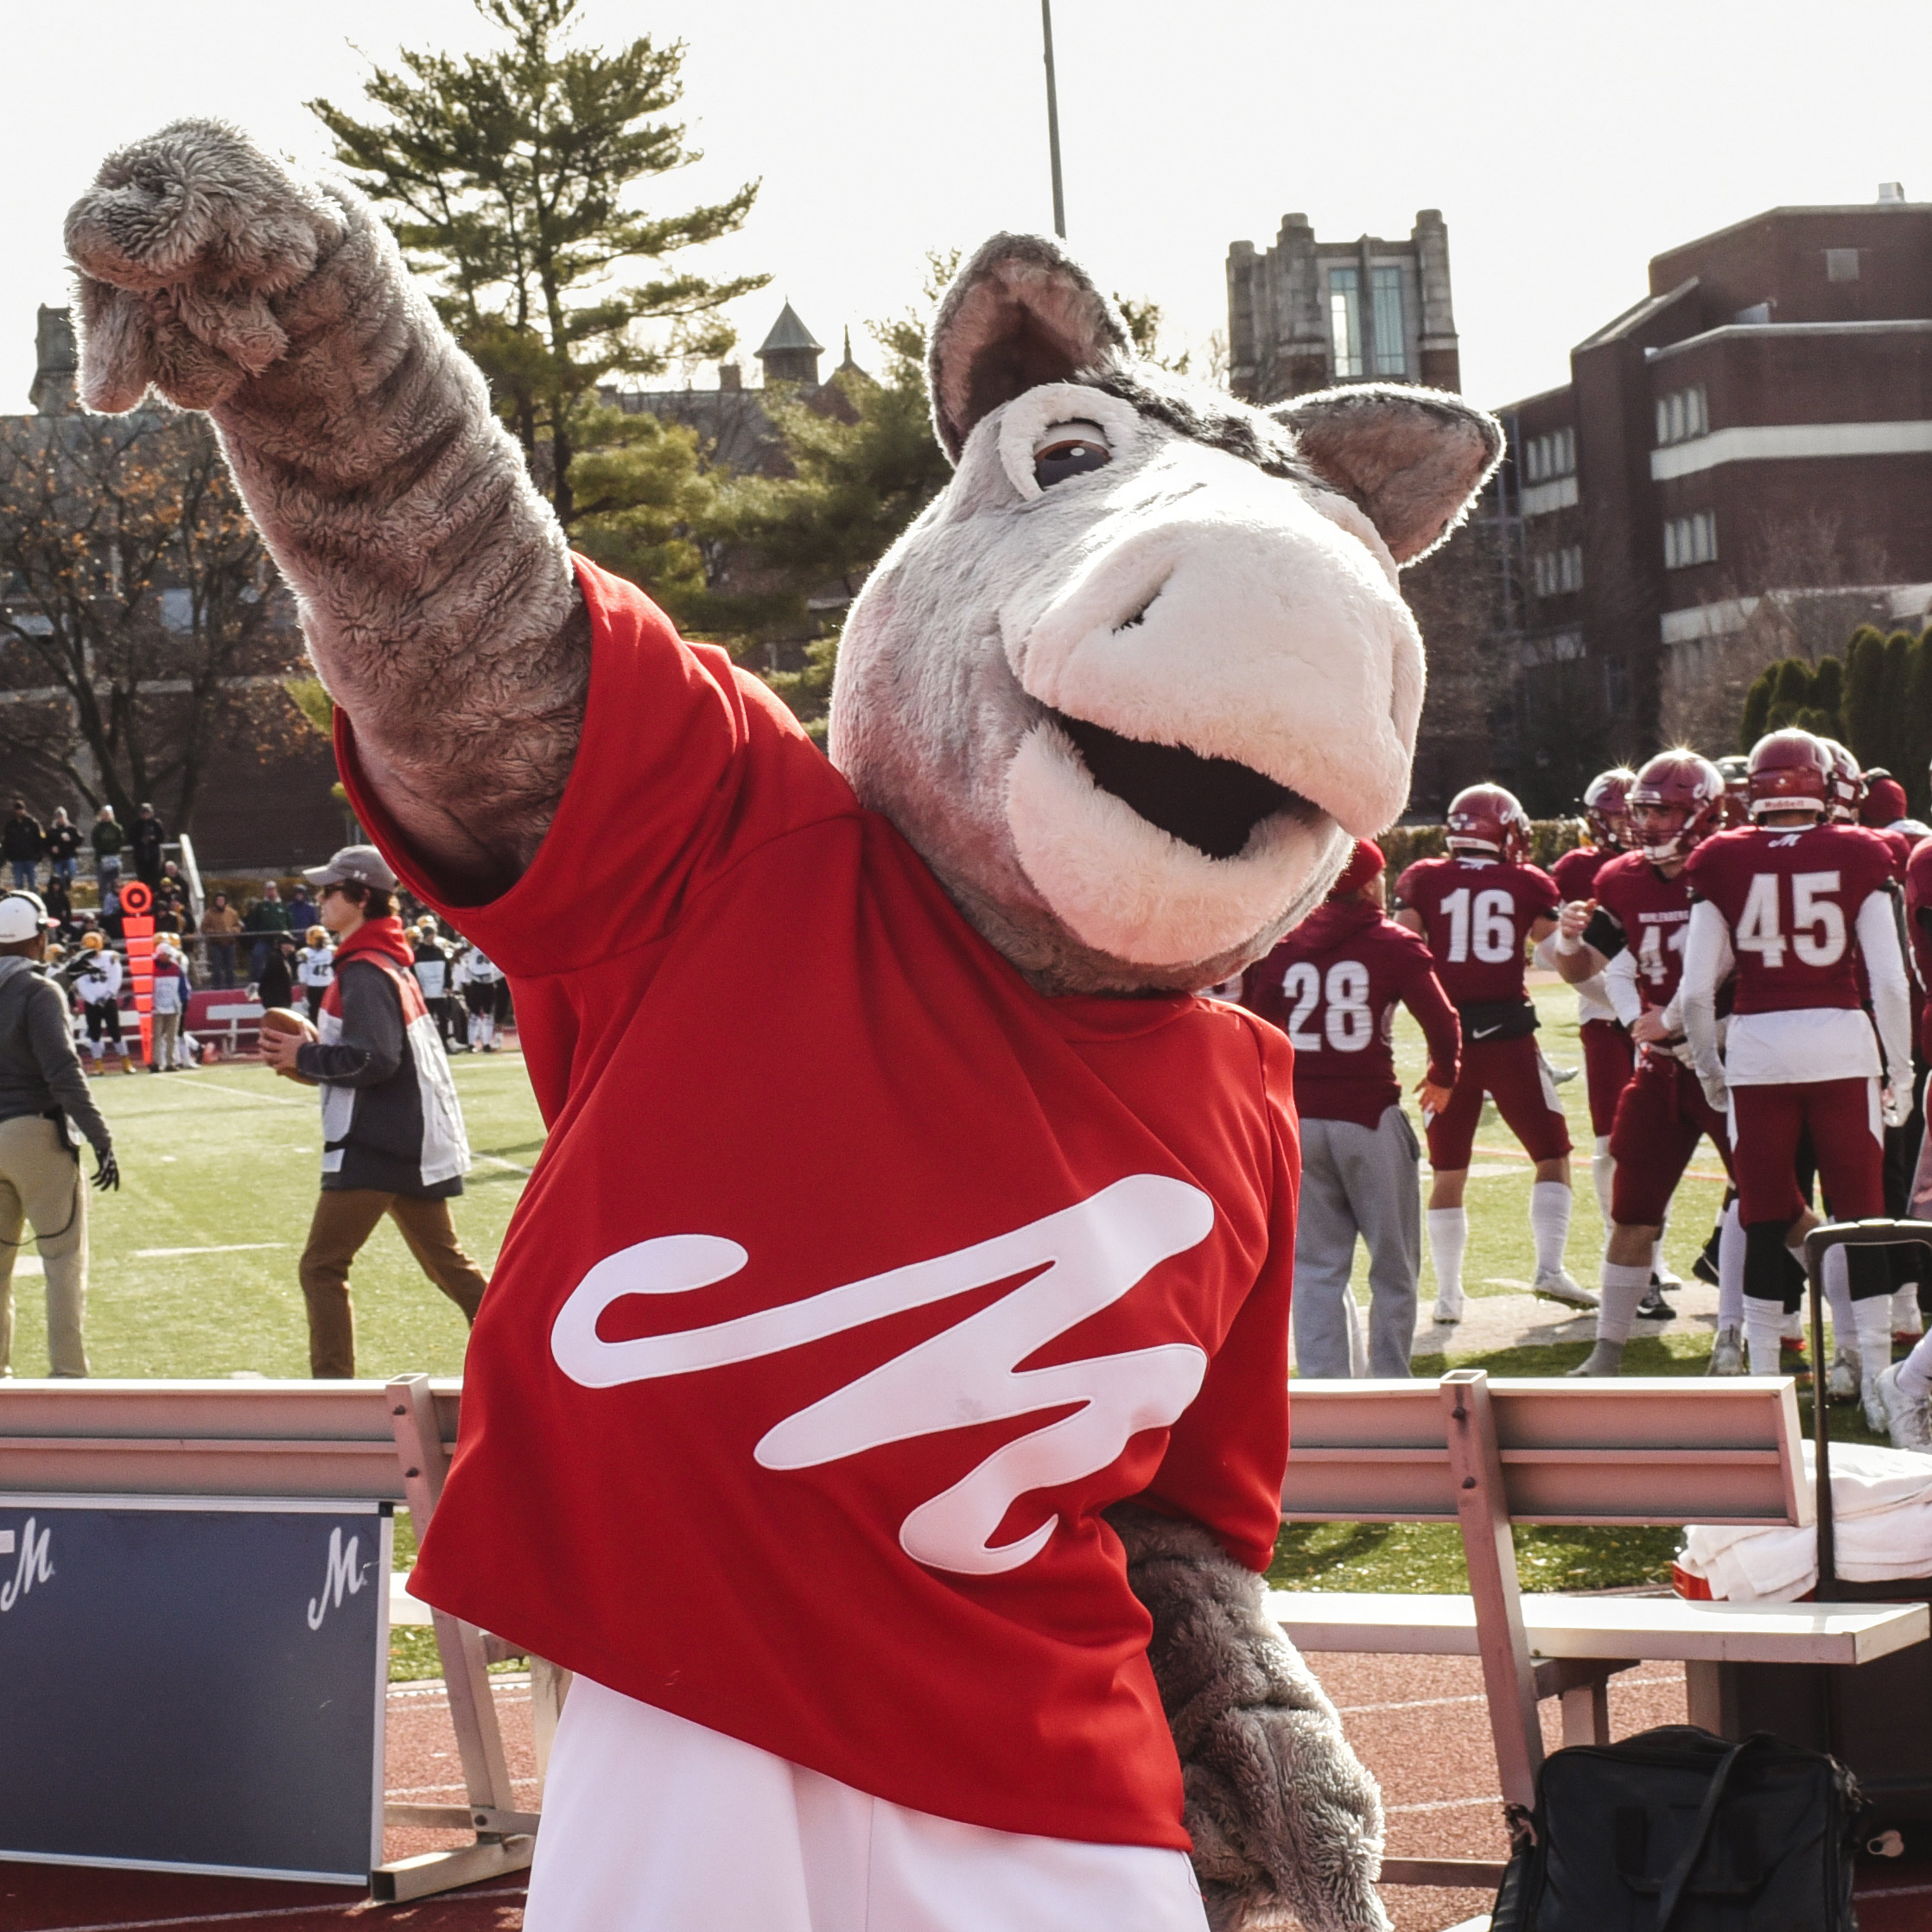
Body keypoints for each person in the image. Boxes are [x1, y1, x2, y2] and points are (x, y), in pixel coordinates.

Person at [1682, 729, 1914, 1407]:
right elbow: (1892, 983)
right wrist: (1898, 1072)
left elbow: (1696, 993)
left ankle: (1762, 1385)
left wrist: (1708, 1071)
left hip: (1756, 1042)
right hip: (1841, 1040)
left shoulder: (1720, 856)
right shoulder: (1861, 849)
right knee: (1862, 1213)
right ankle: (1875, 1384)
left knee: (1760, 1214)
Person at [257, 846, 486, 1379]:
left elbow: (374, 1059)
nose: (319, 899)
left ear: (361, 897)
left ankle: (334, 1396)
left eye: (330, 891)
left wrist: (304, 1056)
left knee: (321, 1266)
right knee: (447, 1264)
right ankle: (532, 1349)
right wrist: (312, 1062)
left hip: (377, 1144)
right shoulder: (386, 961)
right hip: (410, 1138)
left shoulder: (363, 969)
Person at [1242, 839, 1459, 1375]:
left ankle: (1326, 1385)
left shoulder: (1285, 946)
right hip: (1368, 1116)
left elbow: (1254, 1026)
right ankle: (1389, 1380)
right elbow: (1443, 1020)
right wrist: (1443, 1077)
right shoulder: (1391, 944)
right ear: (1368, 884)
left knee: (1316, 1267)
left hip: (1300, 1119)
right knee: (1394, 1265)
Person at [1557, 753, 1738, 1376]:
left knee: (1769, 1202)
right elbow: (1587, 973)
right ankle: (1608, 1347)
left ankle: (1761, 1332)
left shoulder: (1731, 867)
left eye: (1665, 810)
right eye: (1644, 810)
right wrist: (1567, 940)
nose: (1651, 823)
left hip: (1733, 1059)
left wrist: (1688, 1022)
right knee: (1632, 1207)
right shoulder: (1621, 878)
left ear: (1702, 813)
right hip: (1660, 1069)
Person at [1394, 784, 1592, 1319]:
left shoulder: (1424, 877)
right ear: (1503, 830)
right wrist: (1580, 945)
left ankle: (1449, 1296)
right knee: (1552, 1155)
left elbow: (1399, 952)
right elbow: (1558, 961)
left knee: (1448, 1170)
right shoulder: (1526, 880)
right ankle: (1549, 1269)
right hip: (1509, 1039)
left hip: (1448, 1043)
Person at [0, 890, 118, 1377]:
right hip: (35, 1135)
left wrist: (61, 978)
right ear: (40, 935)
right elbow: (62, 1071)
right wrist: (100, 1136)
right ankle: (68, 1374)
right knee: (63, 1260)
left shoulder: (34, 987)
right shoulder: (38, 992)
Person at [1548, 769, 1639, 1252]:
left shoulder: (1674, 862)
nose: (1631, 824)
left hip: (1664, 1016)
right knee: (1609, 1139)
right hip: (1607, 1015)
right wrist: (1630, 1005)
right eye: (1619, 816)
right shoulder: (1576, 869)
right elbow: (1558, 954)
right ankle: (1618, 1242)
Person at [72, 932, 132, 1076]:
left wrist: (107, 996)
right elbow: (81, 983)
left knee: (115, 1031)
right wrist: (93, 1000)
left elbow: (116, 978)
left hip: (108, 1001)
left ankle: (126, 1062)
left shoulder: (110, 958)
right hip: (92, 1003)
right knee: (94, 1034)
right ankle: (98, 1065)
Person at [410, 918, 458, 1048]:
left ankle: (444, 1043)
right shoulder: (417, 955)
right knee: (426, 1020)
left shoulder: (439, 953)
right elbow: (413, 974)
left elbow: (447, 971)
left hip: (440, 992)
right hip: (424, 993)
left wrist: (448, 985)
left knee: (444, 1019)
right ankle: (426, 1043)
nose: (432, 939)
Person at [148, 940, 188, 1072]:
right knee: (157, 1037)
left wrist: (184, 1000)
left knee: (172, 1037)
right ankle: (156, 1062)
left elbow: (183, 987)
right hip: (157, 1008)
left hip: (174, 1007)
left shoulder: (177, 969)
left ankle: (170, 1062)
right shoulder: (152, 969)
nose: (169, 957)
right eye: (166, 955)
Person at [456, 941, 505, 1052]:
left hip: (484, 983)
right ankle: (473, 1043)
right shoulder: (472, 950)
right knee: (475, 1014)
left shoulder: (483, 949)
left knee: (487, 1015)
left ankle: (485, 1043)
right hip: (479, 983)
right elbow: (463, 963)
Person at [246, 879, 290, 978]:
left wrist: (287, 938)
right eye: (269, 890)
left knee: (283, 960)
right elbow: (253, 922)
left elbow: (290, 922)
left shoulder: (283, 906)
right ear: (266, 891)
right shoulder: (261, 906)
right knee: (257, 955)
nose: (271, 892)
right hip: (264, 940)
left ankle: (285, 979)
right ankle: (257, 981)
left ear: (276, 890)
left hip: (280, 940)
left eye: (273, 889)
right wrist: (258, 935)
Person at [200, 890, 242, 988]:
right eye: (218, 900)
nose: (220, 902)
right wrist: (213, 932)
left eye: (222, 900)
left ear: (225, 901)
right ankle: (217, 988)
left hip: (230, 943)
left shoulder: (232, 912)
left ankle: (231, 988)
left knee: (230, 968)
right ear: (215, 901)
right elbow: (204, 928)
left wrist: (233, 931)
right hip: (216, 944)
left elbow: (238, 926)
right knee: (217, 968)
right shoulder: (209, 913)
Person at [297, 924, 336, 1020]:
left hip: (328, 986)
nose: (321, 941)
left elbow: (337, 971)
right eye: (319, 939)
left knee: (330, 1015)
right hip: (313, 988)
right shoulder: (305, 953)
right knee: (315, 1016)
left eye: (322, 938)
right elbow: (303, 977)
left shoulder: (331, 951)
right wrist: (304, 996)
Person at [3, 800, 45, 891]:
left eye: (21, 809)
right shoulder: (10, 826)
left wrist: (39, 856)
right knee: (18, 884)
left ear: (24, 810)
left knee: (33, 884)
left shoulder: (32, 823)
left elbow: (41, 839)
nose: (19, 812)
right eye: (17, 809)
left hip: (31, 858)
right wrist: (10, 857)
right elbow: (6, 843)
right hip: (17, 860)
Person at [257, 931, 298, 1012]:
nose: (293, 945)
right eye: (290, 943)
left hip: (280, 1000)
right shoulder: (275, 959)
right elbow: (267, 978)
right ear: (282, 945)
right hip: (276, 1000)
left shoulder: (282, 958)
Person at [130, 802, 165, 891]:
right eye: (144, 813)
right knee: (142, 879)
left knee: (155, 878)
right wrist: (140, 839)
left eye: (148, 813)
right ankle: (144, 898)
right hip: (140, 855)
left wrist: (153, 838)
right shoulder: (136, 824)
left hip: (153, 855)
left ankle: (155, 898)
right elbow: (131, 838)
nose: (146, 815)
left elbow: (162, 838)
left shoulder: (156, 823)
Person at [90, 805, 125, 892]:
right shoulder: (97, 829)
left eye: (108, 814)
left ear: (112, 814)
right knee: (102, 883)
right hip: (101, 859)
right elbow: (95, 843)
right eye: (104, 814)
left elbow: (121, 841)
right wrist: (105, 848)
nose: (106, 816)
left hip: (114, 858)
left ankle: (115, 902)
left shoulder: (117, 828)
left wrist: (111, 848)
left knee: (115, 882)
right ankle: (104, 902)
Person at [44, 808, 80, 887]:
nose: (61, 819)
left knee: (72, 871)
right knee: (59, 878)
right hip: (58, 858)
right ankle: (63, 890)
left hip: (69, 855)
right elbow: (46, 844)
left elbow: (80, 839)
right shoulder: (51, 830)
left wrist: (71, 839)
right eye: (59, 817)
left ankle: (69, 884)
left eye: (62, 816)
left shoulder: (71, 828)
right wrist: (51, 849)